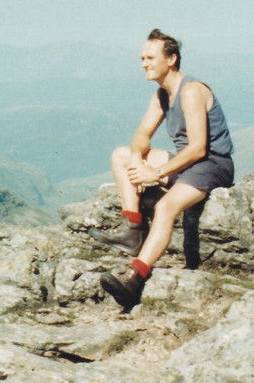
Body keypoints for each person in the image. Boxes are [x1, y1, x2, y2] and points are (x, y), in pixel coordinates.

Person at [90, 29, 235, 309]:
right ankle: (132, 227)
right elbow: (142, 133)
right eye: (142, 58)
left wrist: (154, 174)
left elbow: (199, 148)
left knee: (166, 207)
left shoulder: (191, 91)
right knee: (120, 155)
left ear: (171, 59)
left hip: (213, 165)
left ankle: (136, 276)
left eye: (150, 57)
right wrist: (136, 157)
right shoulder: (162, 95)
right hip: (187, 161)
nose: (144, 63)